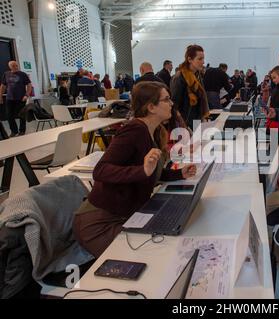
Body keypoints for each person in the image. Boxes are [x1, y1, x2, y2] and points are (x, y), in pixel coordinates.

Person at [72, 81, 197, 258]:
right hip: (99, 224)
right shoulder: (134, 130)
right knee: (149, 255)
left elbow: (151, 172)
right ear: (151, 107)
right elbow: (100, 171)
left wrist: (179, 173)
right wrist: (142, 170)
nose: (171, 104)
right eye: (166, 99)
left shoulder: (154, 131)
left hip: (124, 216)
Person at [171, 44, 209, 129]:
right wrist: (183, 126)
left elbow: (200, 100)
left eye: (203, 59)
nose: (203, 62)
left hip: (196, 121)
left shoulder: (197, 75)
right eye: (199, 59)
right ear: (189, 59)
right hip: (184, 123)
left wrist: (203, 119)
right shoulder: (179, 77)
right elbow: (174, 106)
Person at [0, 61, 32, 137]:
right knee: (9, 115)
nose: (16, 67)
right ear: (10, 67)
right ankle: (14, 131)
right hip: (9, 98)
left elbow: (29, 85)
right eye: (14, 66)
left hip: (21, 98)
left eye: (16, 65)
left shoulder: (23, 74)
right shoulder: (6, 74)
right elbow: (3, 86)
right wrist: (0, 96)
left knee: (22, 115)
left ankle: (22, 131)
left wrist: (26, 95)